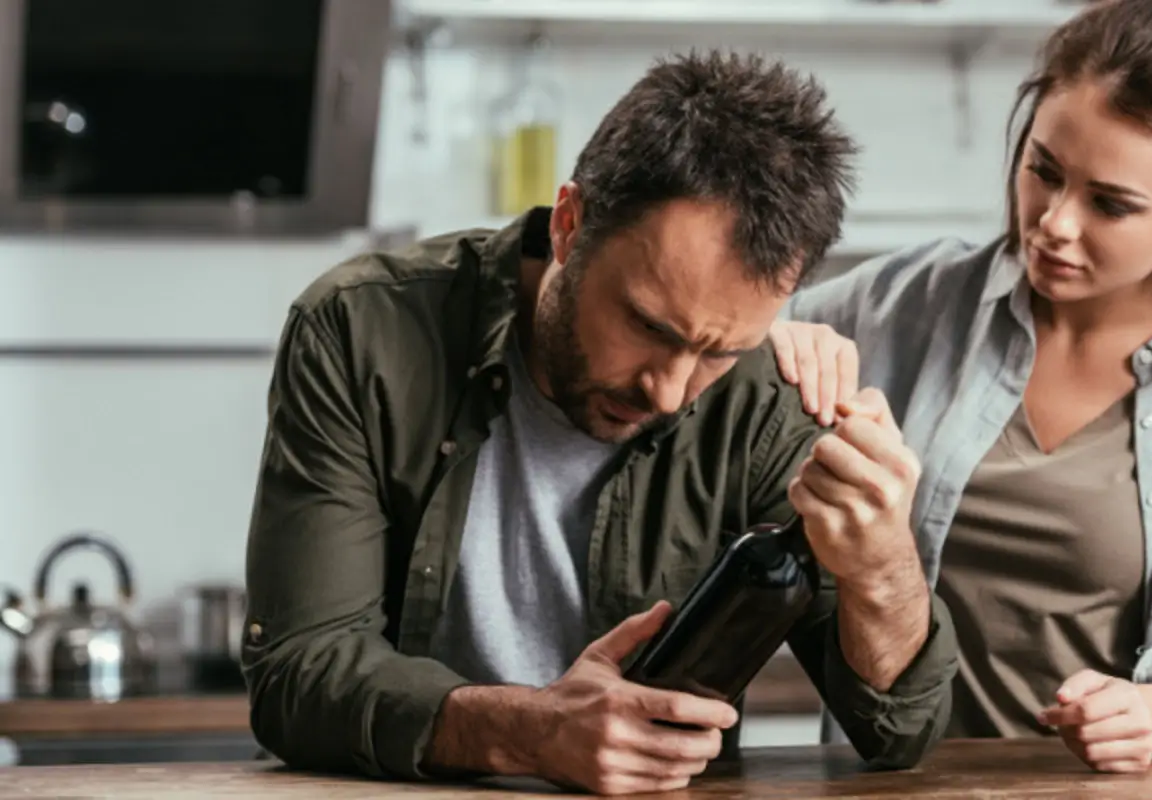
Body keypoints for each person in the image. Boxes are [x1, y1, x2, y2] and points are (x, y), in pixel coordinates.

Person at [240, 50, 958, 796]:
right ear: (569, 225)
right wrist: (534, 733)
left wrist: (883, 569)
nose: (672, 390)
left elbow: (900, 729)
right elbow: (299, 672)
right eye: (649, 325)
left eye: (720, 350)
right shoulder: (362, 330)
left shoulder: (768, 397)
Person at [768, 0, 1152, 775]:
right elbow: (714, 348)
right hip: (893, 789)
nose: (1054, 224)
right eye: (1043, 171)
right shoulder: (902, 306)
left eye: (1109, 204)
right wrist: (776, 332)